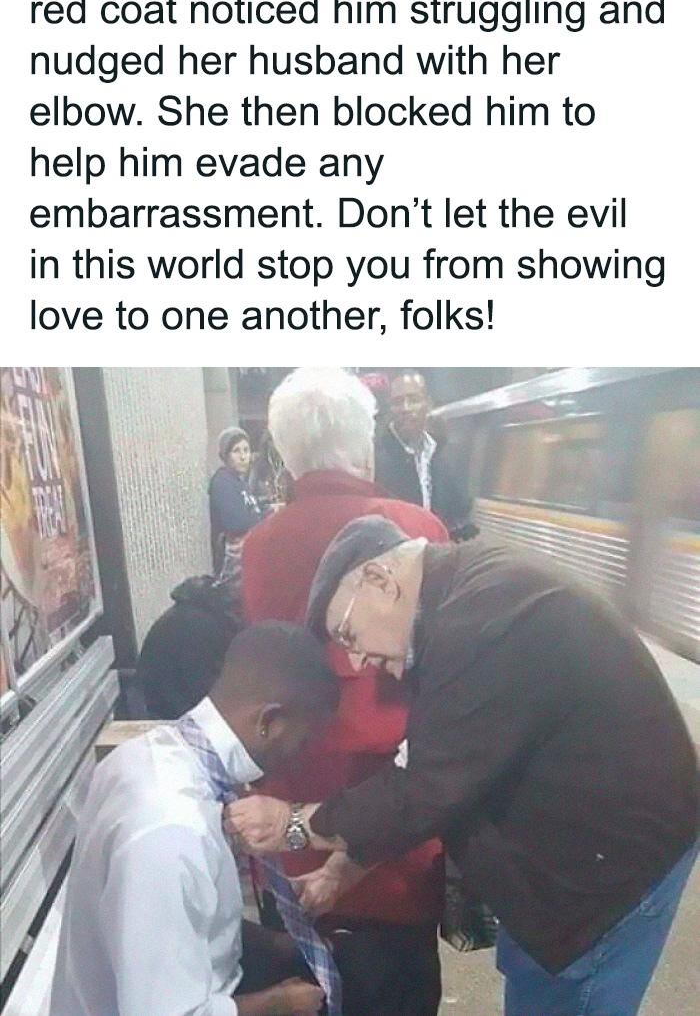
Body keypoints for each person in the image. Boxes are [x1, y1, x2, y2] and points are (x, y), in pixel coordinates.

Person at [228, 518, 700, 1016]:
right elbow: (429, 758)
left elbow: (424, 790)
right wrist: (345, 867)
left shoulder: (478, 621)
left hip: (606, 868)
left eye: (347, 633)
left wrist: (293, 823)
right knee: (536, 981)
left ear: (380, 580)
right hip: (565, 847)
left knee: (570, 995)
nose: (358, 659)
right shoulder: (456, 602)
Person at [240, 368, 448, 1016]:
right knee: (400, 988)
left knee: (313, 991)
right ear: (365, 442)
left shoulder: (257, 545)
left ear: (285, 451)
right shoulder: (419, 528)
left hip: (293, 831)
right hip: (394, 829)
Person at [50, 622, 340, 1016]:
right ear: (269, 722)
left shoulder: (145, 755)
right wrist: (280, 1004)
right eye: (303, 740)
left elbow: (185, 925)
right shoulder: (171, 830)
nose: (301, 757)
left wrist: (276, 946)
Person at [374, 371, 472, 533]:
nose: (405, 408)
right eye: (398, 402)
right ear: (389, 409)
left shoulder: (445, 456)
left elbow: (460, 512)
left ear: (428, 404)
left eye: (413, 400)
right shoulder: (376, 457)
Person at [137, 574, 243, 720]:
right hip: (175, 714)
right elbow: (207, 695)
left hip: (164, 706)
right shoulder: (201, 627)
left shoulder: (190, 615)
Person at [209, 427, 263, 571]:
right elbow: (235, 523)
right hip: (233, 566)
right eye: (236, 451)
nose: (243, 456)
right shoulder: (223, 481)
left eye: (246, 450)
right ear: (226, 456)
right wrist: (265, 518)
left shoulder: (241, 482)